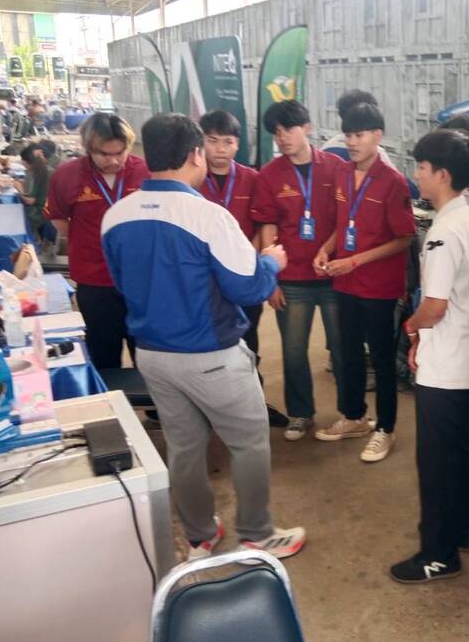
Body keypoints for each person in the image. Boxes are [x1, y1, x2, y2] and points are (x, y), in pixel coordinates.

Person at [100, 112, 306, 561]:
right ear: (196, 154)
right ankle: (257, 533)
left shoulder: (115, 217)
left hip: (152, 356)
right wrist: (271, 263)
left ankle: (200, 535)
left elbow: (121, 283)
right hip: (211, 355)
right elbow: (247, 288)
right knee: (249, 442)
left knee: (183, 447)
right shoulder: (209, 216)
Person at [390, 130, 469, 583]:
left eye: (422, 168)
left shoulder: (444, 232)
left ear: (443, 175)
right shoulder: (468, 216)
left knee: (436, 464)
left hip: (446, 366)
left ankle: (438, 553)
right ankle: (462, 529)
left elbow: (434, 307)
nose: (417, 175)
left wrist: (410, 328)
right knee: (464, 452)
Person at [315, 102, 416, 462]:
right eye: (348, 135)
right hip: (345, 283)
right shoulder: (342, 174)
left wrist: (355, 260)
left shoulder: (393, 182)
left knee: (383, 360)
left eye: (359, 135)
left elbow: (404, 238)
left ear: (377, 135)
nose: (352, 142)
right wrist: (326, 250)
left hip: (378, 287)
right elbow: (342, 224)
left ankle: (385, 428)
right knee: (349, 353)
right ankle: (355, 416)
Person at [252, 100, 347, 440]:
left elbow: (345, 219)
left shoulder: (335, 168)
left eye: (289, 129)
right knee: (293, 351)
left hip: (332, 275)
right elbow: (267, 226)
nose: (283, 137)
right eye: (276, 132)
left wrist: (328, 250)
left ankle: (351, 412)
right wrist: (271, 280)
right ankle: (300, 413)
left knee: (343, 348)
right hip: (291, 280)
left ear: (307, 127)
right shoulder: (269, 175)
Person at [197, 110, 288, 428]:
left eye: (228, 142)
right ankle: (209, 410)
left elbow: (263, 224)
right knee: (209, 345)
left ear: (238, 144)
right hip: (205, 282)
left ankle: (254, 404)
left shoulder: (252, 178)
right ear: (201, 143)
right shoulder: (193, 179)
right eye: (212, 141)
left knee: (248, 342)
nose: (220, 149)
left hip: (244, 277)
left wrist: (247, 261)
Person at [46, 113, 149, 369]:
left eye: (120, 153)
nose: (114, 161)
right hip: (94, 280)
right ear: (88, 148)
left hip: (142, 279)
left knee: (147, 352)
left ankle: (152, 397)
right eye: (104, 154)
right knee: (103, 353)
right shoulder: (66, 175)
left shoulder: (146, 173)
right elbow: (58, 218)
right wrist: (88, 239)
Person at [18, 142, 52, 243]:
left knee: (15, 214)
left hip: (37, 213)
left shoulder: (33, 174)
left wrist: (19, 190)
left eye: (23, 161)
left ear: (26, 162)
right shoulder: (46, 170)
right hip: (47, 210)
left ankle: (29, 242)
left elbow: (30, 201)